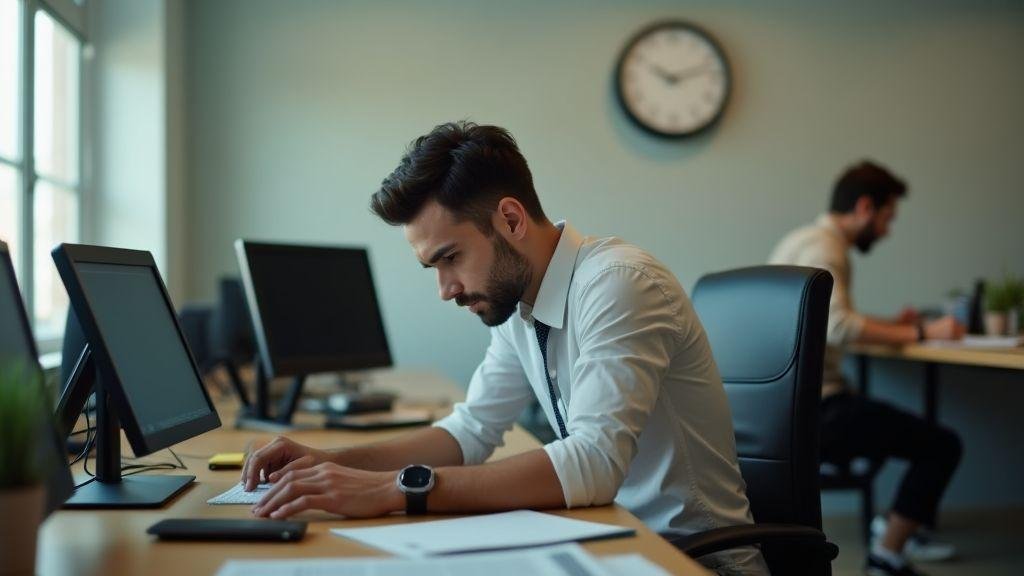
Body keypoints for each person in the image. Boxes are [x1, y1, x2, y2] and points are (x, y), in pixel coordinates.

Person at [241, 121, 767, 575]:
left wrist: (395, 490)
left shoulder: (619, 283)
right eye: (433, 268)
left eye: (451, 258)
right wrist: (330, 463)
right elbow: (470, 432)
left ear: (510, 221)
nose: (445, 289)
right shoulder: (519, 304)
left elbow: (595, 461)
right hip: (613, 541)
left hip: (693, 560)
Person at [768, 160, 964, 576]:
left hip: (780, 413)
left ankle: (891, 524)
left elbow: (826, 318)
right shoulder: (828, 248)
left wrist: (894, 324)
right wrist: (924, 334)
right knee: (943, 445)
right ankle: (888, 553)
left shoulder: (800, 240)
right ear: (864, 207)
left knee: (890, 422)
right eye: (887, 218)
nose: (887, 230)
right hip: (821, 414)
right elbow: (839, 326)